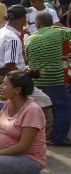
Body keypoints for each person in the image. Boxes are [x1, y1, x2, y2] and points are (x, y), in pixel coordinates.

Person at [26, 12, 71, 145]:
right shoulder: (58, 32)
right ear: (52, 23)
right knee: (63, 106)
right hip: (54, 79)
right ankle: (58, 137)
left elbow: (28, 59)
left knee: (39, 108)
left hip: (35, 80)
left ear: (37, 24)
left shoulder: (30, 39)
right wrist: (61, 27)